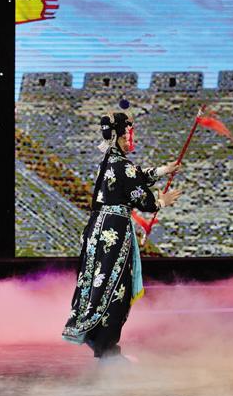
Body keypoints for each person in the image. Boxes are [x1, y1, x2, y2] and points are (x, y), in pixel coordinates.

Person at [62, 112, 181, 359]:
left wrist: (163, 170)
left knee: (97, 284)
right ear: (117, 136)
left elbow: (134, 176)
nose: (129, 140)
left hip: (97, 228)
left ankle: (97, 340)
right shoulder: (122, 166)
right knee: (117, 287)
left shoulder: (108, 161)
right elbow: (143, 198)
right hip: (114, 232)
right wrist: (162, 201)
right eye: (127, 135)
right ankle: (107, 350)